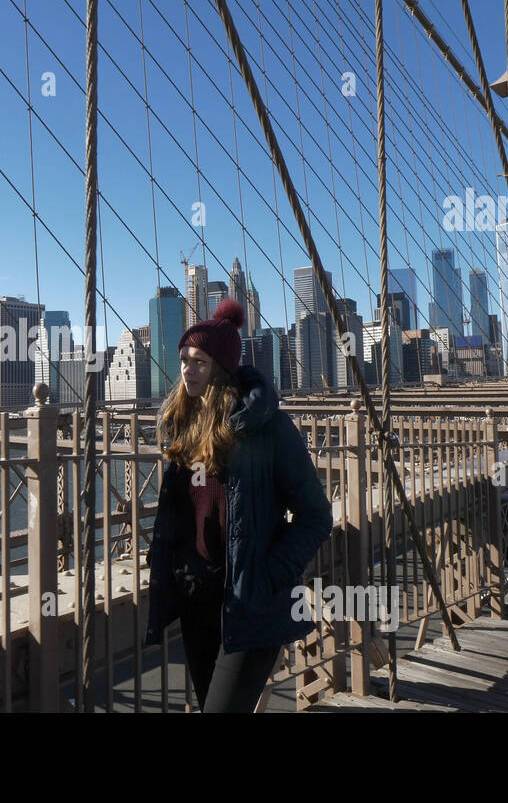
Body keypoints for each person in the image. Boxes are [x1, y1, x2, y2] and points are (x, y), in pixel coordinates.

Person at [143, 298, 333, 713]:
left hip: (250, 606)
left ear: (222, 368)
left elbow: (316, 517)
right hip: (198, 606)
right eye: (184, 359)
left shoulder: (268, 430)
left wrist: (269, 574)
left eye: (200, 361)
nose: (187, 370)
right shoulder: (184, 427)